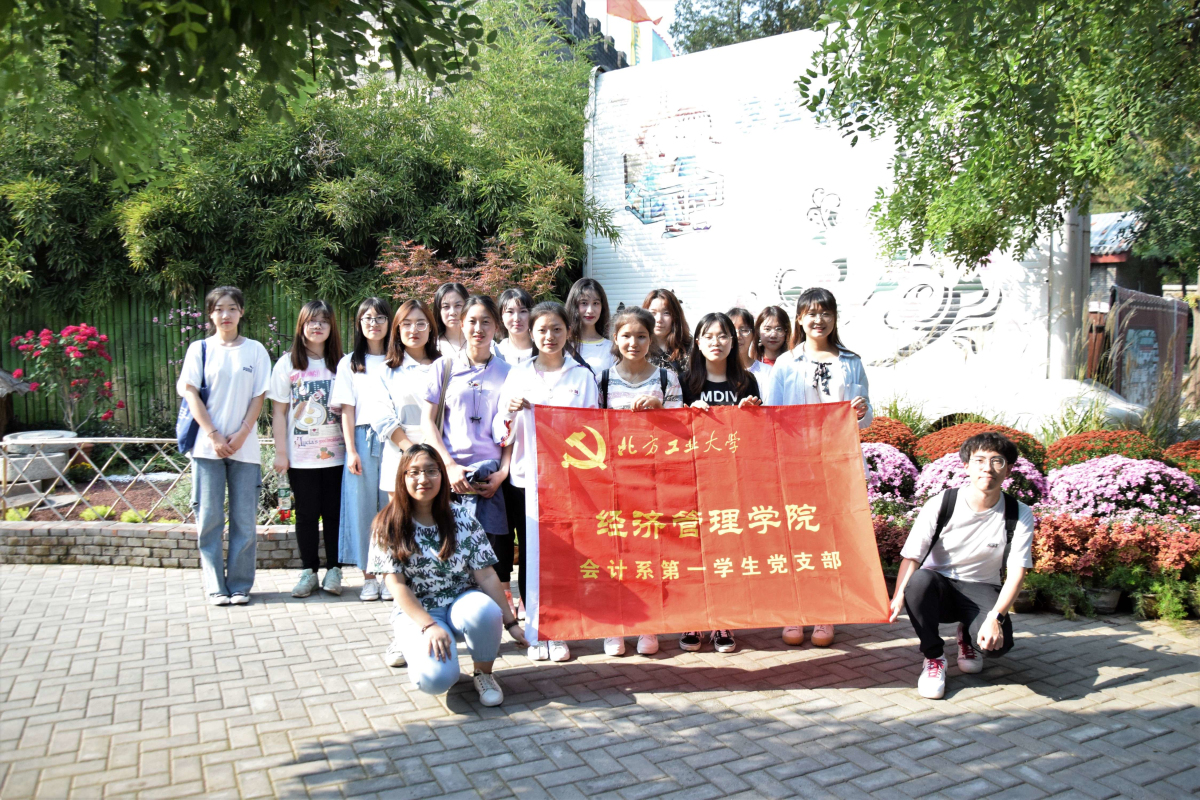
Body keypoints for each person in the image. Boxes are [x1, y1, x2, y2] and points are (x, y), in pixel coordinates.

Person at [368, 444, 528, 706]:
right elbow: (396, 585)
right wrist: (429, 625)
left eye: (431, 471)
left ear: (442, 476)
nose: (423, 479)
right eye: (414, 472)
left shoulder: (462, 517)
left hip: (461, 602)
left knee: (486, 611)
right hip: (419, 610)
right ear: (402, 477)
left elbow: (486, 576)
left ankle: (483, 674)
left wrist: (511, 624)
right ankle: (411, 642)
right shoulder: (388, 524)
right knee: (435, 680)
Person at [764, 287, 873, 647]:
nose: (818, 320)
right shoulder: (786, 362)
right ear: (799, 318)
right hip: (797, 464)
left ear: (834, 318)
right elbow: (772, 416)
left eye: (825, 313)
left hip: (838, 463)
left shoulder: (851, 361)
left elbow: (866, 417)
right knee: (796, 537)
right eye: (811, 313)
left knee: (830, 538)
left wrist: (860, 411)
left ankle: (825, 612)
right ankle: (795, 611)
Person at [889, 433, 1034, 699]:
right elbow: (912, 556)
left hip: (982, 586)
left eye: (997, 461)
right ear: (966, 466)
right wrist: (899, 596)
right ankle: (934, 657)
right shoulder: (943, 503)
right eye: (979, 460)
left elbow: (1017, 572)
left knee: (996, 647)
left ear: (1009, 469)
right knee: (918, 582)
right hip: (938, 585)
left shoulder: (1019, 512)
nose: (987, 468)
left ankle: (967, 635)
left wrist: (995, 618)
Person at [494, 302, 598, 663]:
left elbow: (592, 431)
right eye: (541, 330)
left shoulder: (582, 377)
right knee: (532, 556)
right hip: (526, 479)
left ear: (568, 331)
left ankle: (562, 628)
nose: (549, 336)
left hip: (569, 482)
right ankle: (537, 629)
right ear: (531, 333)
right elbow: (500, 432)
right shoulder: (518, 374)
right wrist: (509, 410)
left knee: (563, 556)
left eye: (556, 329)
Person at [420, 295, 515, 615]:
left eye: (486, 322)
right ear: (461, 324)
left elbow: (513, 427)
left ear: (496, 327)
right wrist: (448, 467)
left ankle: (488, 619)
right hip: (452, 477)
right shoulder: (443, 367)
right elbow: (427, 422)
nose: (478, 328)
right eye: (472, 321)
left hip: (491, 478)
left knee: (489, 555)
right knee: (448, 551)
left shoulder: (508, 372)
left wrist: (502, 472)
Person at [177, 286, 271, 606]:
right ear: (210, 314)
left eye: (232, 308)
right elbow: (191, 394)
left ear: (242, 312)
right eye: (219, 309)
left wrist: (242, 433)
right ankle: (216, 586)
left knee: (244, 520)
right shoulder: (199, 349)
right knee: (209, 519)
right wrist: (214, 435)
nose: (226, 314)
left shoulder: (255, 350)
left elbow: (259, 395)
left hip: (245, 448)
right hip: (207, 449)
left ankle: (241, 585)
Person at [598, 306, 684, 656]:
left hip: (654, 480)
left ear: (652, 339)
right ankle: (615, 625)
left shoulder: (667, 378)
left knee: (650, 552)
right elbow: (589, 428)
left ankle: (649, 625)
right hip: (613, 481)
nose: (633, 342)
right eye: (626, 336)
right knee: (615, 553)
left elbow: (683, 428)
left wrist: (661, 409)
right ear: (615, 339)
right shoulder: (602, 379)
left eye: (641, 336)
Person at [679, 312, 762, 654]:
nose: (717, 342)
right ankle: (694, 619)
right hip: (693, 480)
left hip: (732, 481)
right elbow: (668, 432)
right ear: (698, 342)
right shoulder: (685, 381)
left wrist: (750, 412)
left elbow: (758, 434)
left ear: (734, 341)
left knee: (728, 550)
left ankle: (723, 620)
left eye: (724, 335)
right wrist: (688, 413)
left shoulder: (746, 382)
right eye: (709, 336)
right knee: (693, 551)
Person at [269, 300, 346, 599]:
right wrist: (281, 452)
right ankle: (308, 572)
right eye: (311, 321)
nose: (317, 326)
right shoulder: (287, 364)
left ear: (331, 327)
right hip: (301, 457)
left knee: (334, 514)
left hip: (338, 455)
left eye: (324, 321)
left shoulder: (342, 364)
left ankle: (335, 569)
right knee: (306, 515)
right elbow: (278, 413)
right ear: (301, 325)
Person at [333, 297, 393, 602]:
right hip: (361, 437)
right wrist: (351, 450)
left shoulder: (398, 358)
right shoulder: (349, 362)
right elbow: (347, 409)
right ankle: (369, 576)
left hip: (394, 437)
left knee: (392, 509)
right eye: (367, 318)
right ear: (359, 323)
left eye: (380, 317)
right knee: (362, 509)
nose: (374, 323)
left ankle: (391, 576)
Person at [565, 277, 615, 372]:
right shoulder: (562, 345)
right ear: (573, 305)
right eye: (584, 303)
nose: (590, 310)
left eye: (595, 303)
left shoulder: (611, 348)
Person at [643, 288, 691, 376]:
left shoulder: (690, 348)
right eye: (653, 313)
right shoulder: (639, 349)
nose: (659, 319)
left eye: (666, 313)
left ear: (675, 316)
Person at [726, 307, 770, 381]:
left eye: (744, 330)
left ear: (753, 334)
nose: (738, 336)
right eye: (732, 331)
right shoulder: (715, 372)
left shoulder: (767, 372)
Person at [497, 287, 536, 365]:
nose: (517, 318)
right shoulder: (494, 354)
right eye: (510, 312)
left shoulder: (544, 352)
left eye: (523, 311)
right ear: (501, 316)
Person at [433, 282, 470, 359]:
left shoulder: (483, 342)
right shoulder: (432, 346)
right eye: (446, 306)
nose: (452, 312)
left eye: (458, 305)